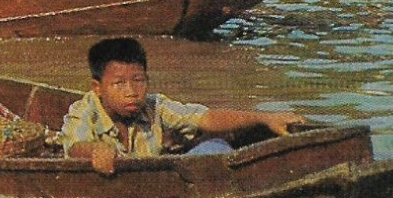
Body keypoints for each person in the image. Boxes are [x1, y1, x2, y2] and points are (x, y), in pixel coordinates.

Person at [62, 37, 305, 175]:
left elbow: (205, 118)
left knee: (216, 145)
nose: (131, 92)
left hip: (157, 182)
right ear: (97, 87)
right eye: (118, 84)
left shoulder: (155, 105)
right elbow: (75, 145)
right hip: (128, 186)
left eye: (138, 81)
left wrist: (265, 119)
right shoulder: (84, 110)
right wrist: (97, 151)